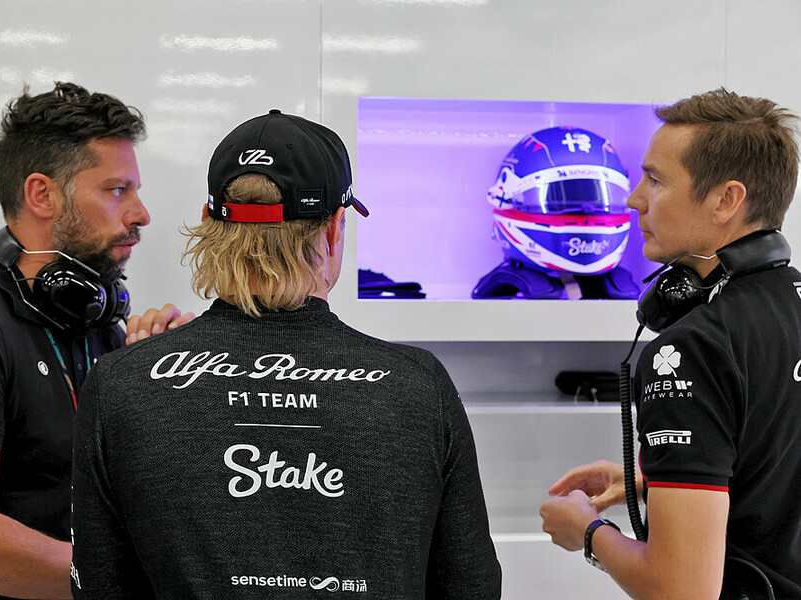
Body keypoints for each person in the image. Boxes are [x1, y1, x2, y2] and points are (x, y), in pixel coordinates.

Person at [69, 109, 502, 598]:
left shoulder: (121, 384)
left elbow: (99, 585)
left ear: (210, 221)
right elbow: (470, 585)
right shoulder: (418, 385)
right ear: (335, 229)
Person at [0, 82, 194, 599]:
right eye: (117, 190)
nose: (141, 213)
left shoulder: (102, 329)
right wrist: (121, 580)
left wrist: (156, 395)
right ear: (42, 194)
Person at [540, 88, 801, 599]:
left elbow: (680, 589)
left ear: (725, 200)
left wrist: (587, 533)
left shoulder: (691, 349)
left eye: (655, 180)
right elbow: (775, 461)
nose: (634, 199)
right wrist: (655, 481)